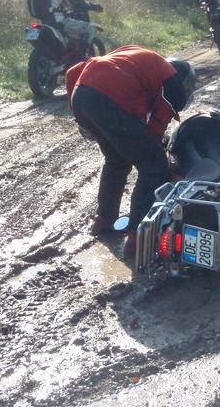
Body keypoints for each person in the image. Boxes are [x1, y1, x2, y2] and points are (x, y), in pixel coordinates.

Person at [66, 46, 197, 258]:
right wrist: (158, 149)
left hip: (81, 93)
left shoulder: (136, 59)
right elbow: (157, 126)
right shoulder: (173, 84)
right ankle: (138, 235)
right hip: (109, 98)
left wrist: (77, 111)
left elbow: (74, 71)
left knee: (116, 160)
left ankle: (104, 219)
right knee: (153, 163)